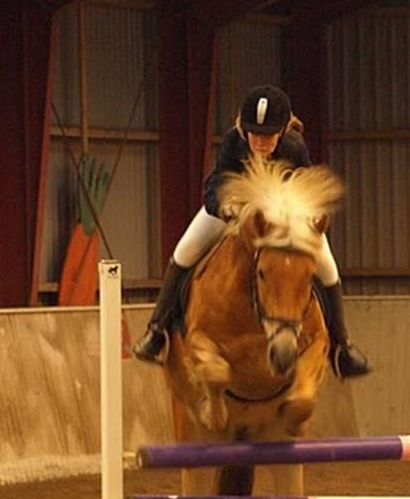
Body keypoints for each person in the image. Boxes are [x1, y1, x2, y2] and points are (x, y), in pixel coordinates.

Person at [132, 84, 369, 378]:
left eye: (268, 135)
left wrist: (308, 215)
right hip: (236, 213)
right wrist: (225, 207)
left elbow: (307, 187)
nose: (260, 141)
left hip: (286, 220)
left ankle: (342, 346)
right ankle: (157, 331)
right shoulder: (234, 142)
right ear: (244, 131)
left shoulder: (294, 147)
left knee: (327, 268)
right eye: (254, 134)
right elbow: (216, 184)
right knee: (185, 250)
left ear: (282, 132)